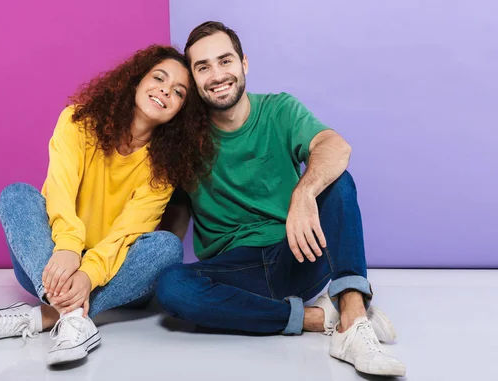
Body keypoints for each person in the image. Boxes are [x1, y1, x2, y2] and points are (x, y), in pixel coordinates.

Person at [156, 22, 406, 377]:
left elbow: (336, 147)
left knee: (339, 181)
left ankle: (352, 321)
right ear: (194, 80)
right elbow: (175, 210)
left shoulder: (279, 110)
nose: (216, 75)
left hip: (298, 251)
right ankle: (317, 318)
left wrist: (303, 194)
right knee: (171, 286)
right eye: (203, 67)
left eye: (225, 61)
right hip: (236, 271)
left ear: (244, 63)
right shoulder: (183, 138)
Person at [0, 45, 216, 366]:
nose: (164, 91)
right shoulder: (77, 122)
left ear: (180, 110)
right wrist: (69, 249)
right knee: (17, 194)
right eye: (158, 78)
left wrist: (88, 274)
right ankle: (72, 316)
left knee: (167, 246)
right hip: (50, 262)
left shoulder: (164, 168)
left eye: (178, 92)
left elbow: (128, 233)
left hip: (117, 276)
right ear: (137, 80)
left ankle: (46, 316)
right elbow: (59, 191)